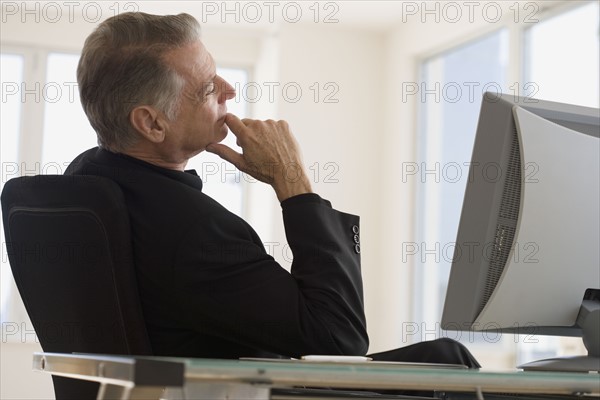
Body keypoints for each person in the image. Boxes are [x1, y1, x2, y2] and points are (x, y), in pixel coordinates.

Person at [67, 11, 479, 369]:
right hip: (244, 388)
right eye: (208, 87)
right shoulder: (195, 231)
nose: (229, 90)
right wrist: (293, 181)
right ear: (152, 123)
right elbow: (339, 340)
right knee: (449, 359)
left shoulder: (82, 184)